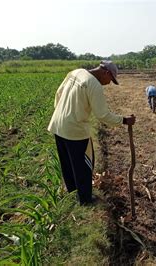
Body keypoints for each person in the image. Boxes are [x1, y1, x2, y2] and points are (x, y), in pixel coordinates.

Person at [47, 60, 135, 205]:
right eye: (110, 79)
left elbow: (58, 94)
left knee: (68, 163)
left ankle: (74, 194)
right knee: (84, 165)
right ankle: (85, 200)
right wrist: (125, 120)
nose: (109, 83)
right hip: (75, 130)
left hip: (57, 125)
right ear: (106, 72)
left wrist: (62, 114)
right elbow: (103, 115)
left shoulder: (75, 72)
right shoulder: (93, 84)